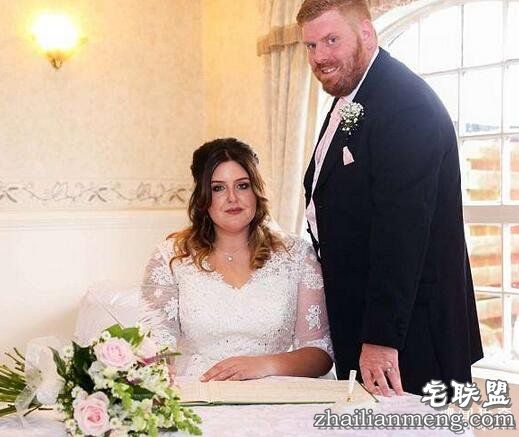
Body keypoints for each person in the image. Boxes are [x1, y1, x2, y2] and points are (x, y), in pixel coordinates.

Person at [297, 0, 483, 396]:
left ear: (366, 33)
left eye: (331, 40)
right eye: (311, 46)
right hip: (364, 323)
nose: (319, 57)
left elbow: (402, 233)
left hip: (408, 338)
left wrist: (381, 339)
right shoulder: (355, 94)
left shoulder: (406, 105)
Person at [141, 138, 333, 381]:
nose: (232, 197)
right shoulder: (171, 257)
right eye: (218, 188)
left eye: (242, 186)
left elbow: (320, 352)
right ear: (202, 197)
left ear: (256, 191)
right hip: (200, 391)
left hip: (274, 391)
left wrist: (263, 365)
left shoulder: (297, 255)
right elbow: (156, 346)